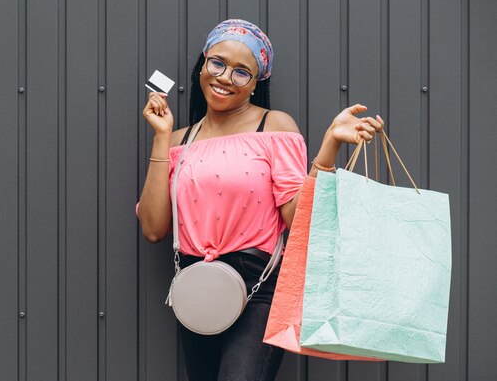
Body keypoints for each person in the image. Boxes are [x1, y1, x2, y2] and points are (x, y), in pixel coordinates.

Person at [137, 19, 383, 381]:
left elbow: (297, 222)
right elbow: (155, 228)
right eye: (217, 63)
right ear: (202, 64)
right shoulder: (178, 140)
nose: (224, 78)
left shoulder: (274, 127)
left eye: (241, 72)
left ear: (255, 84)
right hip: (196, 287)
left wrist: (329, 147)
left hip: (259, 286)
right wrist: (161, 139)